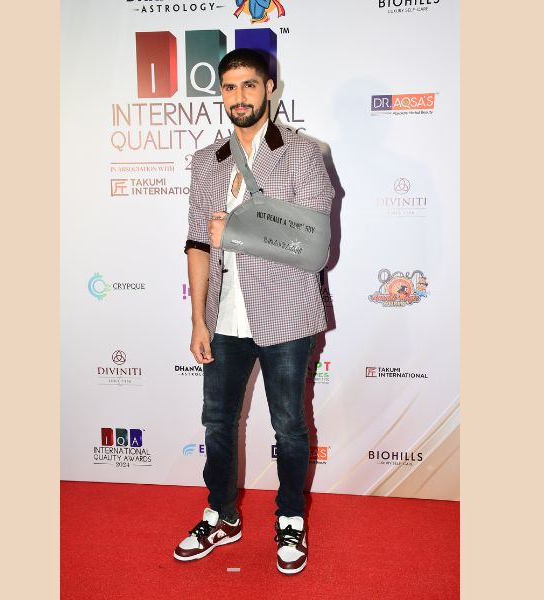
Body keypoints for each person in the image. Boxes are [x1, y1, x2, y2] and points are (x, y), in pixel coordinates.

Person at [173, 48, 334, 575]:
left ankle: (290, 518)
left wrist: (238, 234)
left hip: (287, 314)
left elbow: (314, 245)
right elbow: (198, 242)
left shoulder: (302, 153)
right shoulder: (208, 161)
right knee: (218, 422)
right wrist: (198, 319)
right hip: (223, 317)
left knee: (289, 426)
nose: (238, 97)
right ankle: (221, 514)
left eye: (248, 85)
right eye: (229, 87)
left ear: (269, 89)